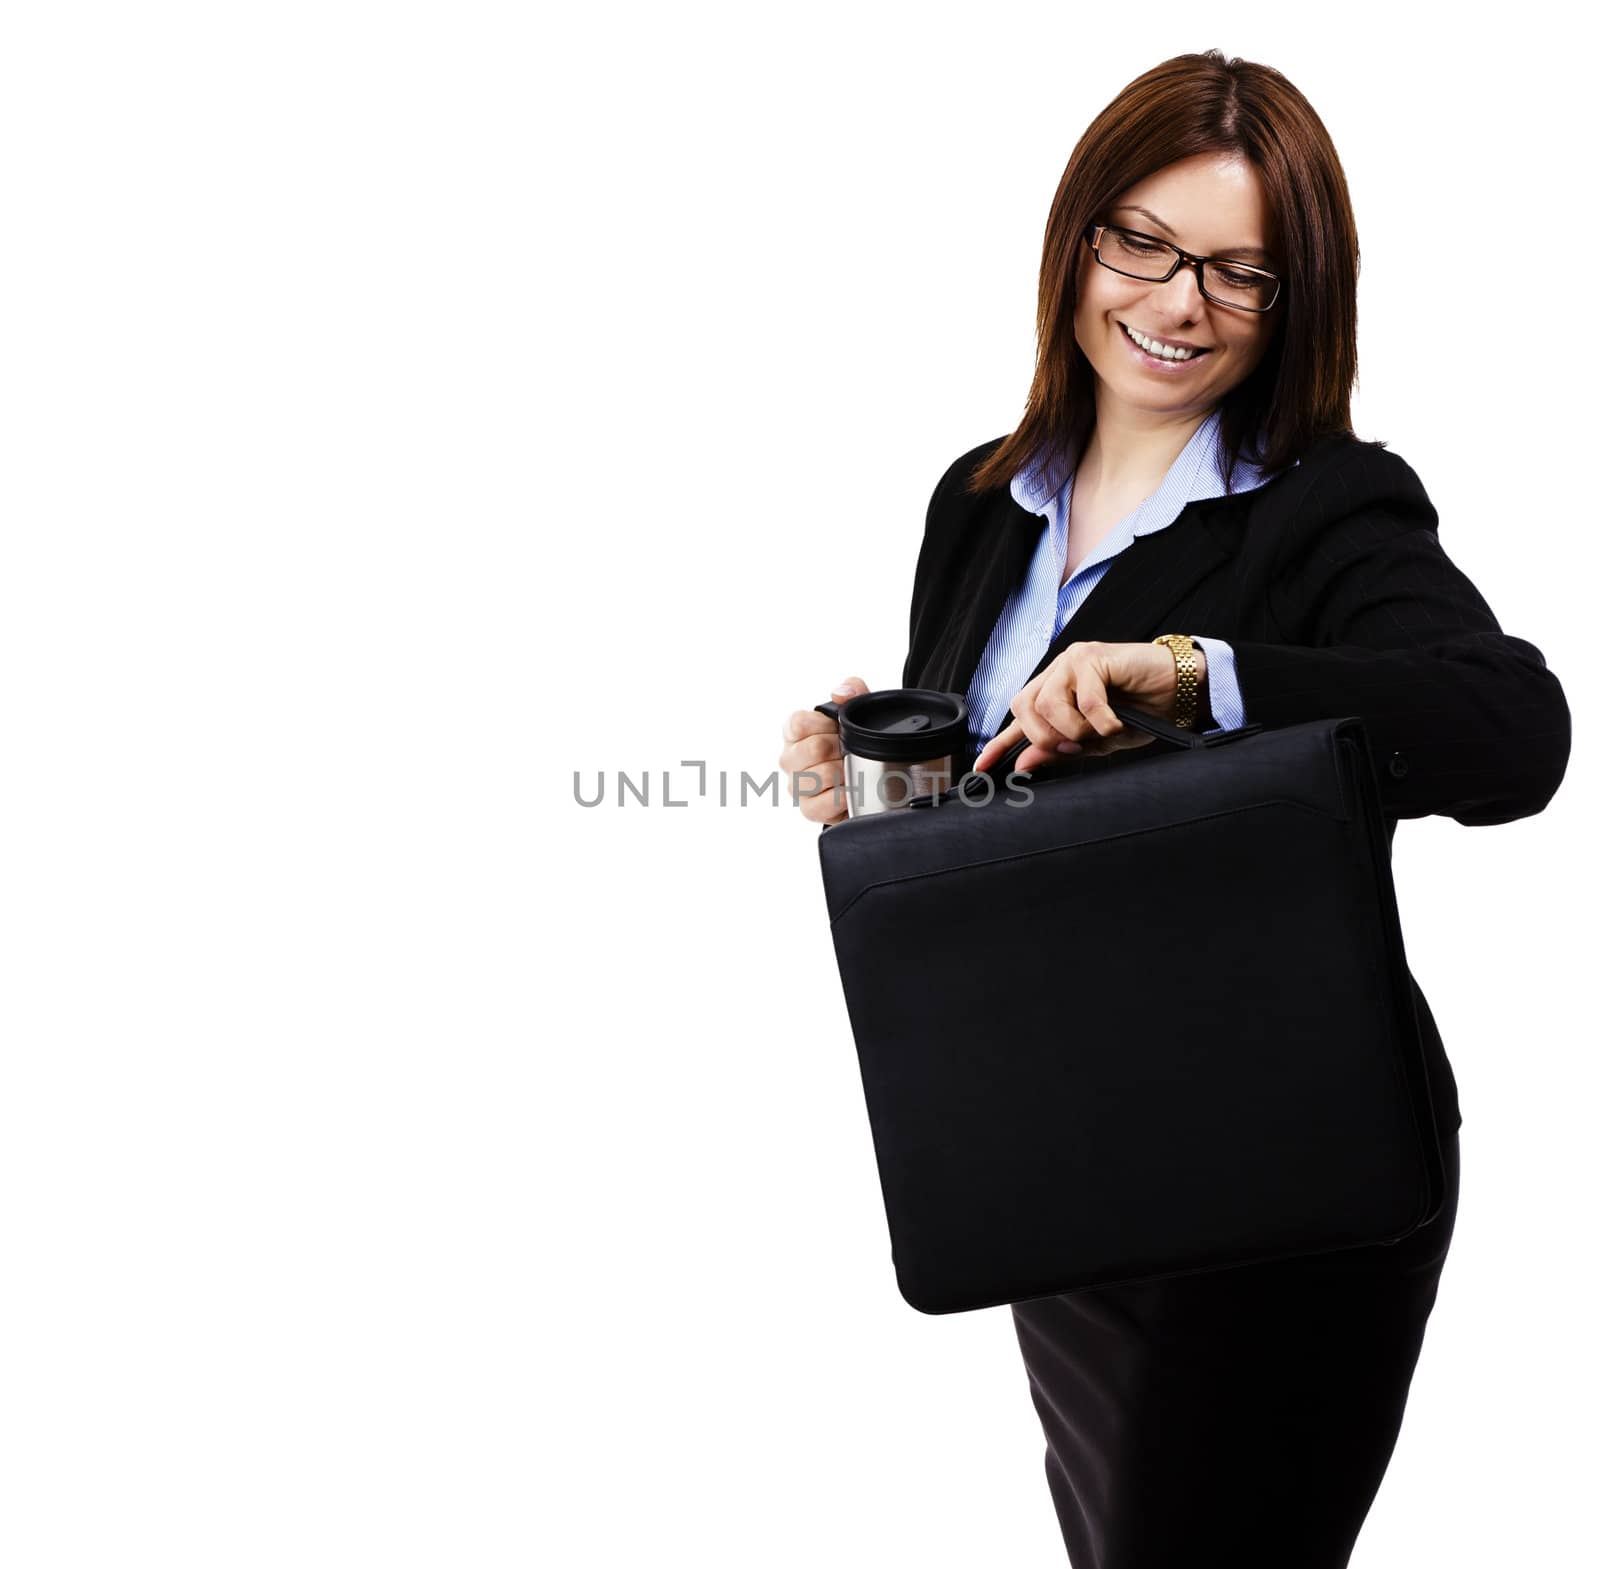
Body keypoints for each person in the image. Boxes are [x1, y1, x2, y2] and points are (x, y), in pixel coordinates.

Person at [777, 49, 1572, 1569]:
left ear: (1297, 300)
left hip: (1282, 1174)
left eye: (1239, 271)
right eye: (1138, 241)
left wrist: (1198, 674)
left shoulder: (1329, 505)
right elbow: (1019, 818)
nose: (1175, 301)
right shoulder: (979, 498)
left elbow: (1514, 729)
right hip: (1060, 1158)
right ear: (1077, 243)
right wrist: (879, 794)